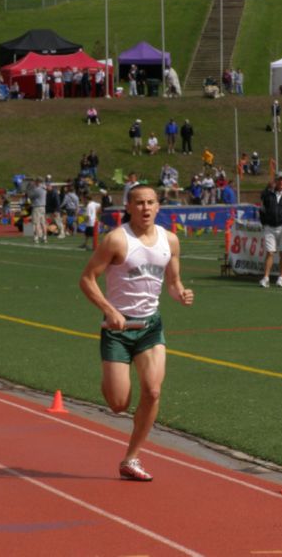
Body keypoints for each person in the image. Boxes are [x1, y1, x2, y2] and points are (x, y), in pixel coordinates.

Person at [79, 184, 194, 481]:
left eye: (151, 202)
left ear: (158, 207)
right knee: (119, 405)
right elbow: (87, 279)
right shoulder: (116, 240)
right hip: (117, 330)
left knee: (153, 391)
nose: (145, 208)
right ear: (128, 207)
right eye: (139, 203)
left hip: (149, 328)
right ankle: (109, 379)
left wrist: (180, 293)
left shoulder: (170, 241)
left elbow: (172, 281)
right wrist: (109, 310)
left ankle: (131, 458)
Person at [27, 177, 47, 244]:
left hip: (37, 207)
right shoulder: (44, 188)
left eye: (35, 181)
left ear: (38, 182)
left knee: (36, 223)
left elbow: (30, 196)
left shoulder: (37, 189)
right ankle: (44, 237)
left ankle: (36, 237)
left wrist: (29, 188)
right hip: (43, 207)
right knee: (43, 223)